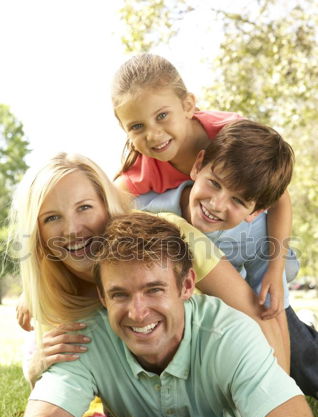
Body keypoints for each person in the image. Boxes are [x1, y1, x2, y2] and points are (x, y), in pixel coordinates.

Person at [11, 213, 318, 417]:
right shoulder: (84, 338)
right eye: (120, 295)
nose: (138, 312)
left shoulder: (230, 334)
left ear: (186, 286)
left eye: (154, 289)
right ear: (103, 297)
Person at [10, 152, 289, 386]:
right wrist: (37, 365)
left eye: (84, 207)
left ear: (106, 204)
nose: (72, 231)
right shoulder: (54, 286)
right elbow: (52, 381)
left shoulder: (170, 234)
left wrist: (280, 397)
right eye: (52, 218)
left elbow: (257, 316)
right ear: (39, 234)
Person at [135, 119, 318, 398]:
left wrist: (280, 395)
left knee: (301, 357)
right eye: (214, 183)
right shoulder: (147, 210)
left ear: (255, 211)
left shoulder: (256, 231)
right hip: (195, 311)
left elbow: (269, 313)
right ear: (198, 166)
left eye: (238, 201)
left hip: (244, 297)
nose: (217, 204)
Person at [111, 53, 295, 315]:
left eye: (162, 115)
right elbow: (96, 207)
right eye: (137, 126)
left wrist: (275, 270)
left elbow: (279, 199)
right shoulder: (142, 170)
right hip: (208, 240)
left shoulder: (229, 135)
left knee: (276, 310)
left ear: (188, 105)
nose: (153, 134)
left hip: (253, 238)